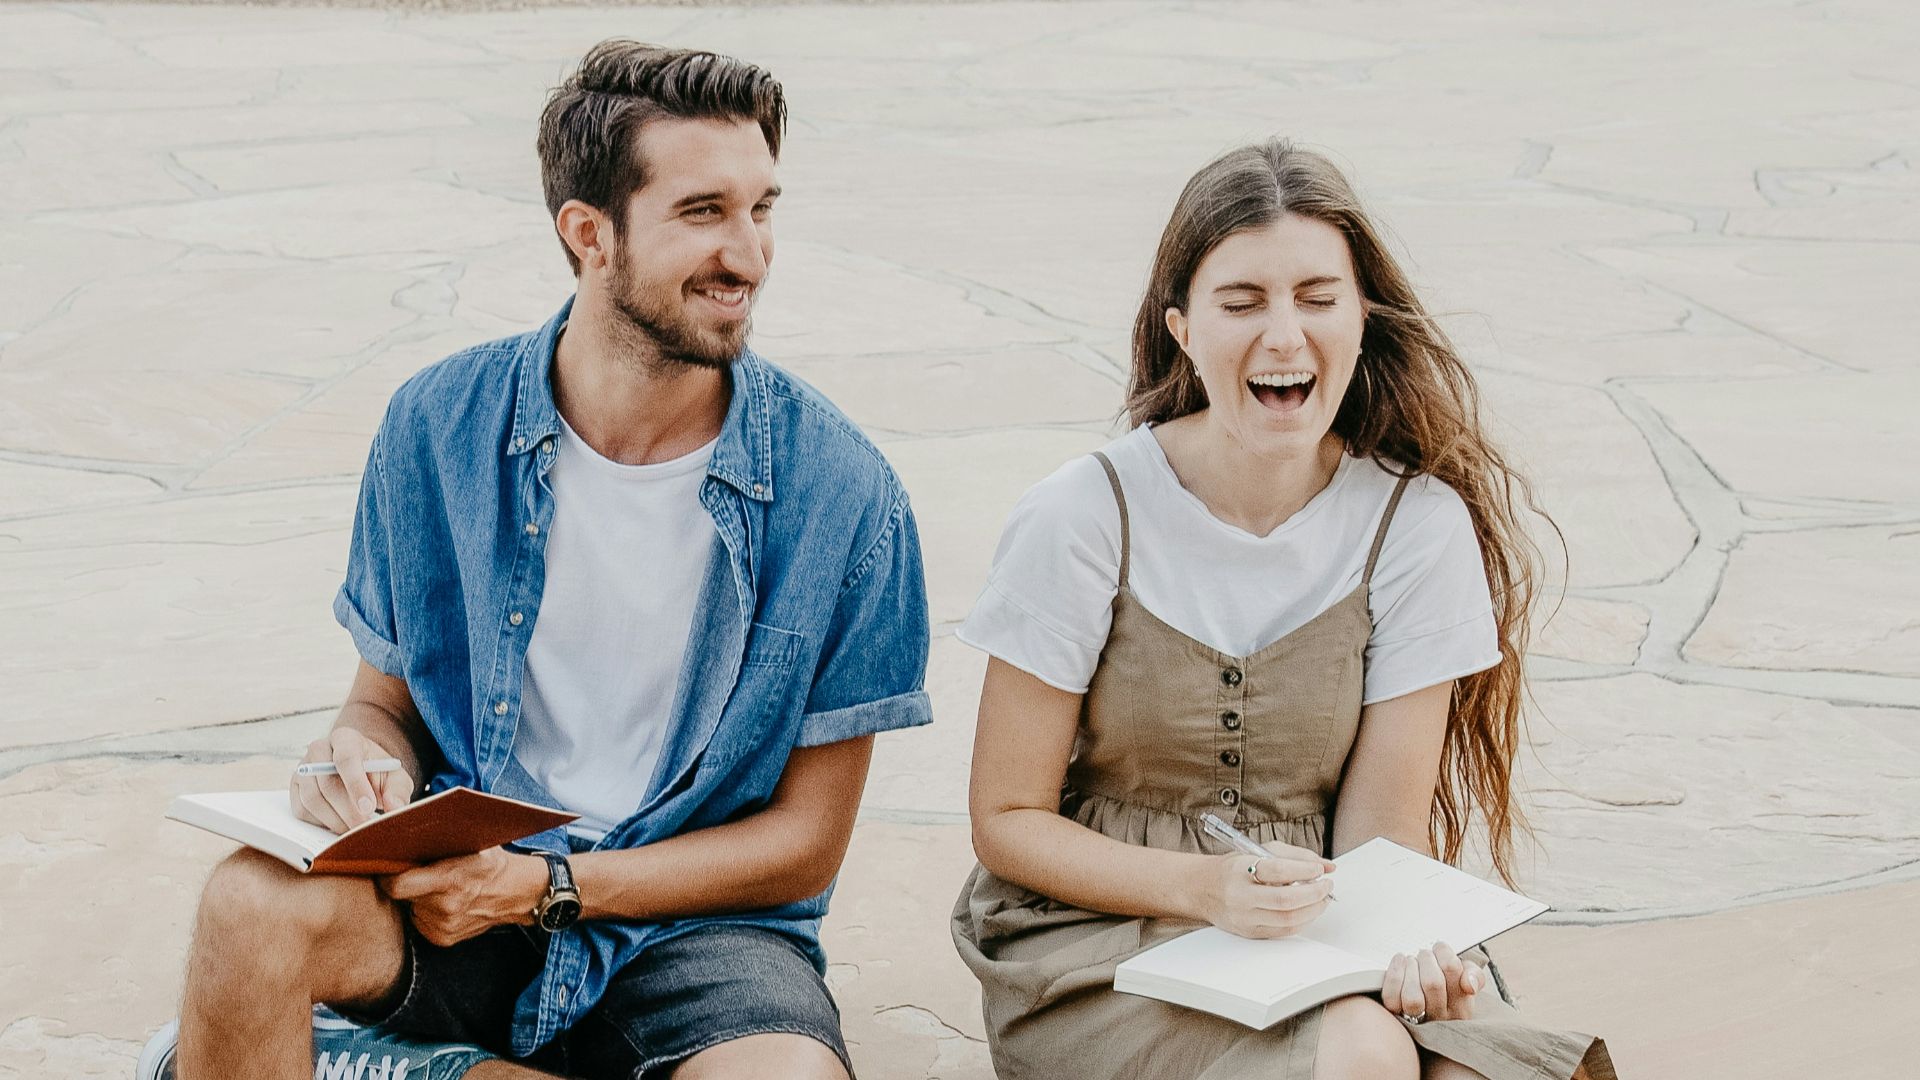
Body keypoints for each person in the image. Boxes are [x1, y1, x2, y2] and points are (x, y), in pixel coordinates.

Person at [137, 40, 931, 1080]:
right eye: (704, 214)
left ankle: (365, 1066)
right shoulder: (439, 426)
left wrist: (553, 887)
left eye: (761, 209)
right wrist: (362, 758)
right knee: (247, 902)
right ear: (588, 233)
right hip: (456, 894)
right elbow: (381, 703)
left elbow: (802, 844)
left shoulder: (844, 492)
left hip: (692, 929)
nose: (749, 255)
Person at [951, 139, 1618, 1080]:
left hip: (1325, 923)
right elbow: (1007, 818)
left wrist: (1410, 950)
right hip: (1096, 939)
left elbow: (1382, 838)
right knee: (1358, 1053)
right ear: (1182, 328)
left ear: (1359, 317)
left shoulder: (1415, 525)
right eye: (1242, 302)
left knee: (1467, 1066)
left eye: (1317, 298)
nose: (1283, 335)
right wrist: (1206, 887)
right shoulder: (1084, 513)